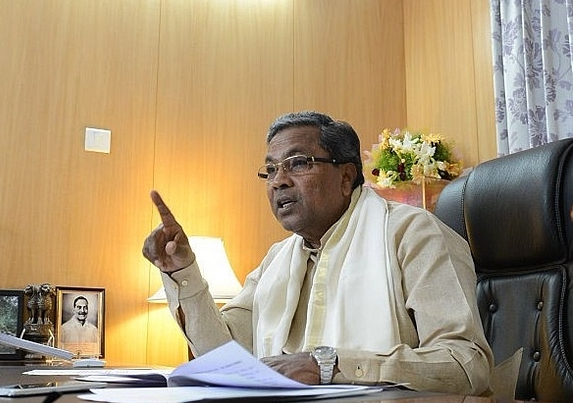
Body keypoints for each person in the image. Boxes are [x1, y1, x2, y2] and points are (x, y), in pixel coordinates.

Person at [142, 111, 493, 395]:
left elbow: (466, 364)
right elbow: (225, 357)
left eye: (297, 163)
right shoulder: (277, 259)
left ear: (346, 177)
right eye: (271, 169)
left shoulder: (412, 235)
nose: (278, 180)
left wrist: (330, 367)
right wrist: (183, 271)